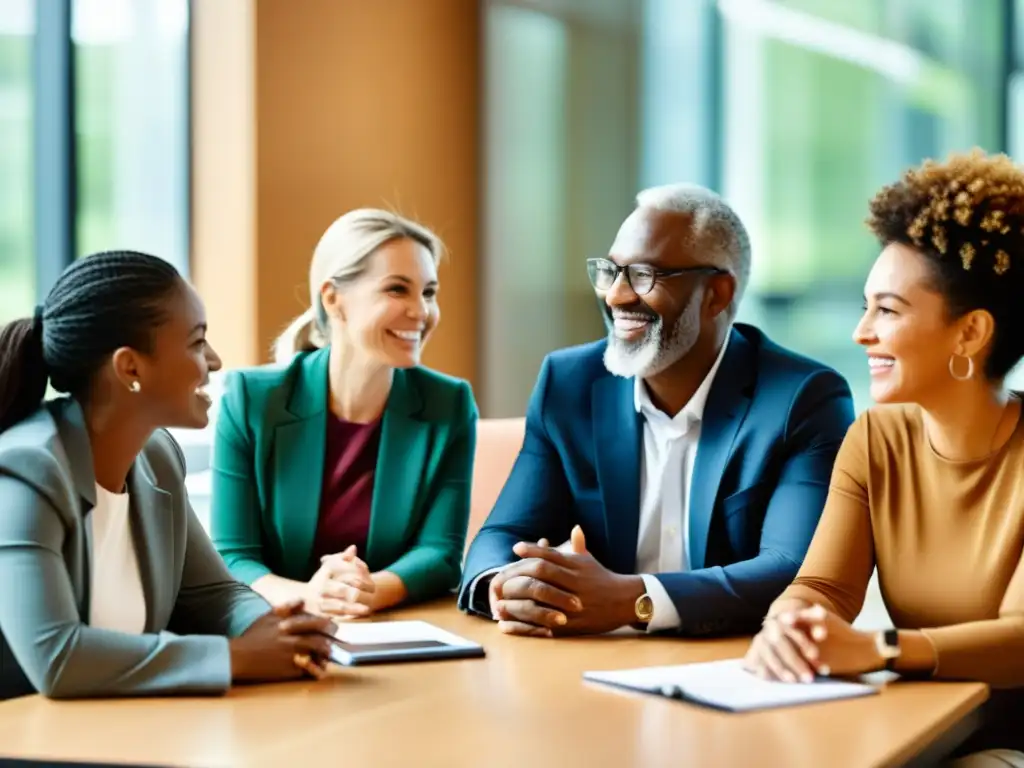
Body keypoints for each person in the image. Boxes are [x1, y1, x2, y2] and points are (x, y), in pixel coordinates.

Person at [458, 183, 855, 637]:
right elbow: (501, 536)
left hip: (736, 668)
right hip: (596, 664)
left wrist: (635, 599)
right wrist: (507, 587)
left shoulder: (802, 398)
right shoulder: (569, 383)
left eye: (644, 275)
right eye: (610, 272)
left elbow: (794, 571)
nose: (616, 296)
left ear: (717, 294)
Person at [744, 150, 1024, 766]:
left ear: (970, 333)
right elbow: (822, 584)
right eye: (865, 306)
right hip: (922, 728)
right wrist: (791, 625)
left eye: (888, 310)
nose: (861, 331)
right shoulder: (875, 438)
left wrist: (881, 649)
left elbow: (1019, 638)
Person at [0, 251, 336, 701]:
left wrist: (277, 628)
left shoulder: (155, 456)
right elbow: (57, 657)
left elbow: (213, 594)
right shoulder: (26, 471)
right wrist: (237, 658)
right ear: (129, 368)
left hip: (121, 734)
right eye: (197, 343)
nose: (215, 361)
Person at [210, 209, 477, 618]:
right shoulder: (251, 399)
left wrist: (368, 591)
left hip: (393, 630)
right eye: (397, 290)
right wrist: (306, 598)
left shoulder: (450, 403)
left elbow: (440, 552)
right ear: (333, 298)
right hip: (278, 631)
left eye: (428, 292)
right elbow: (232, 555)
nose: (421, 312)